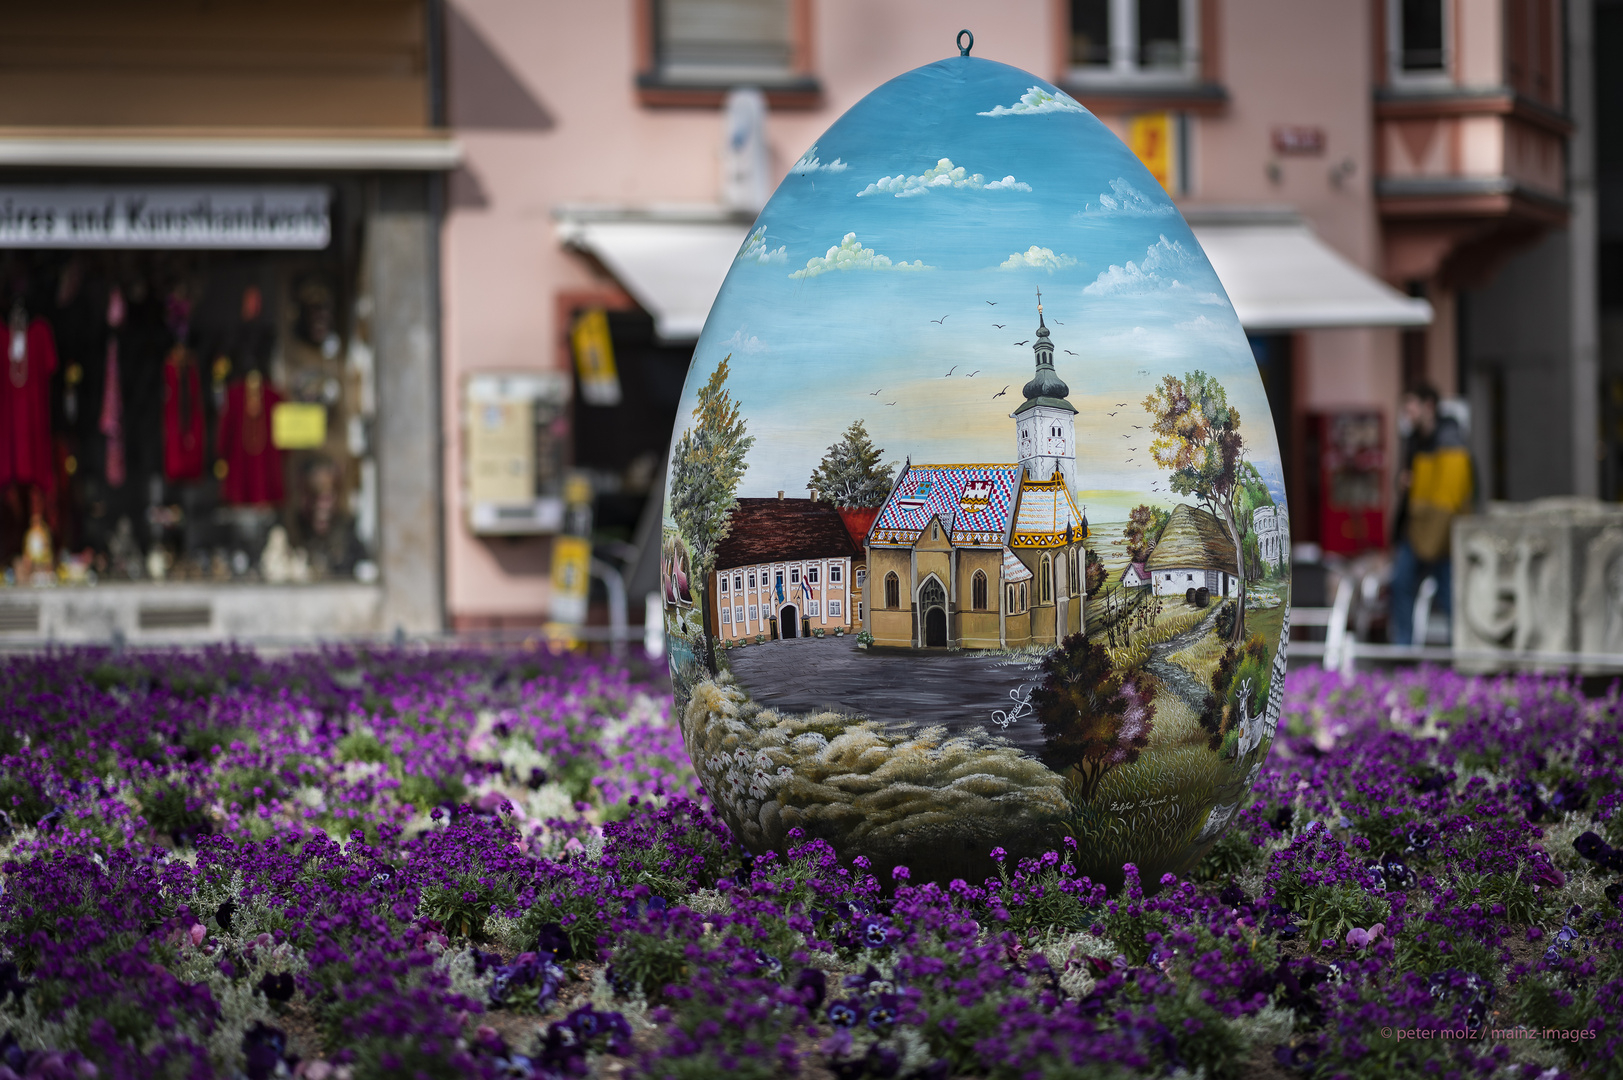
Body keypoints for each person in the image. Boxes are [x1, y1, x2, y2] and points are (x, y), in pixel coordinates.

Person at [1389, 385, 1473, 645]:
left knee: (1447, 596)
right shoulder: (1413, 440)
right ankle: (1405, 647)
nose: (1407, 412)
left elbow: (1450, 497)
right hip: (1417, 530)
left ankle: (1457, 649)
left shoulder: (1450, 440)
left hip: (1440, 534)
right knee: (1402, 585)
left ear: (1429, 406)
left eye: (1411, 405)